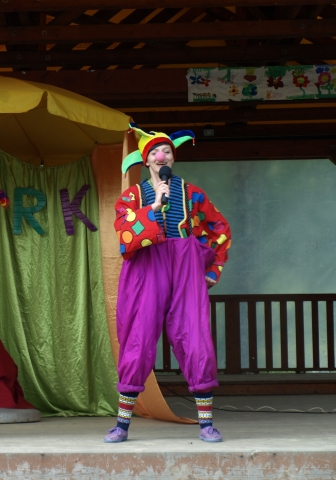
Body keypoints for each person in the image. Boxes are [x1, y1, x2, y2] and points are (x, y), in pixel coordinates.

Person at [104, 124, 231, 444]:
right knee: (137, 339)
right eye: (156, 152)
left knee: (196, 338)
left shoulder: (193, 193)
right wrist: (154, 207)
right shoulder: (132, 196)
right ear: (146, 160)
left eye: (167, 151)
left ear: (173, 158)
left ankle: (206, 425)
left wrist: (211, 269)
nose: (162, 156)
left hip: (184, 267)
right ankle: (122, 425)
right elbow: (124, 234)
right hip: (147, 268)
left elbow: (219, 229)